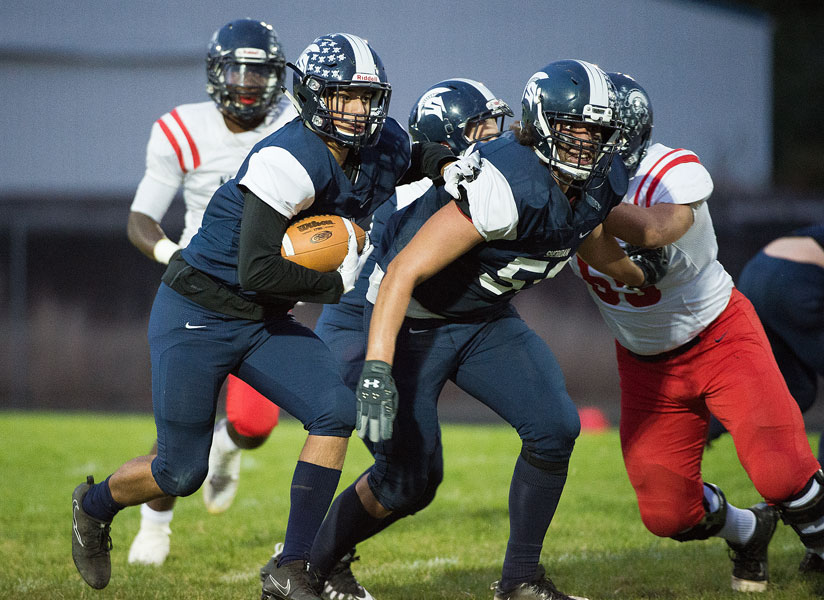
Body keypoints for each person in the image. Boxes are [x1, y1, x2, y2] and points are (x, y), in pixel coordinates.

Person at [71, 32, 456, 596]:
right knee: (180, 473)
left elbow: (418, 159)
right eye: (342, 96)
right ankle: (94, 504)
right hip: (198, 313)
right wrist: (335, 280)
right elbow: (256, 270)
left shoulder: (382, 144)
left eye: (367, 98)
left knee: (335, 411)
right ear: (312, 96)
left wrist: (454, 162)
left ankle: (292, 565)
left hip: (263, 321)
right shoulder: (286, 158)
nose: (356, 111)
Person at [287, 60, 667, 600]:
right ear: (542, 122)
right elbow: (404, 272)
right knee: (409, 481)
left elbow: (586, 229)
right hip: (398, 317)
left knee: (555, 426)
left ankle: (521, 582)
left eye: (595, 132)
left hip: (479, 319)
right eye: (572, 128)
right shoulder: (502, 181)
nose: (584, 143)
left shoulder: (601, 176)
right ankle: (307, 569)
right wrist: (375, 368)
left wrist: (633, 270)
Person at [570, 71, 823, 592]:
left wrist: (579, 203)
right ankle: (748, 531)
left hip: (720, 338)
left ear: (620, 134)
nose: (573, 141)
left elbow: (662, 226)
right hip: (644, 363)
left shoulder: (669, 168)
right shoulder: (558, 182)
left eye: (585, 130)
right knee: (668, 515)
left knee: (782, 473)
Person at [260, 78, 513, 600]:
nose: (491, 137)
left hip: (418, 327)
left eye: (494, 125)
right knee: (405, 474)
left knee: (421, 480)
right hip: (366, 325)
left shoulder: (481, 182)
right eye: (477, 128)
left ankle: (317, 561)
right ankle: (304, 564)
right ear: (446, 137)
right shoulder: (418, 188)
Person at [125, 17, 297, 567]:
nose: (247, 83)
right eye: (237, 70)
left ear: (278, 77)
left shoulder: (296, 123)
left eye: (260, 71)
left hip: (267, 291)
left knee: (252, 425)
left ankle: (227, 446)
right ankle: (156, 525)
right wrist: (173, 255)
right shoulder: (181, 128)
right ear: (215, 73)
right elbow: (141, 219)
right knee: (181, 427)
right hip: (199, 291)